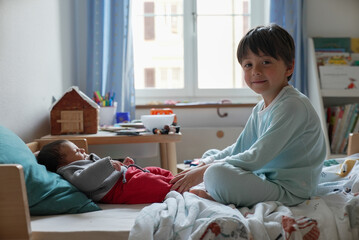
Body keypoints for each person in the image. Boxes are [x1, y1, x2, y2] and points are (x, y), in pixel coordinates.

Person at [170, 24, 327, 207]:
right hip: (266, 178)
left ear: (289, 67)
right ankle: (216, 186)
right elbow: (240, 148)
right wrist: (205, 163)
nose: (256, 71)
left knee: (215, 173)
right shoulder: (261, 107)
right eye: (248, 65)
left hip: (291, 190)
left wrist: (205, 171)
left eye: (266, 62)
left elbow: (256, 157)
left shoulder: (293, 105)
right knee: (210, 156)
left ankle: (216, 192)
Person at [37, 140, 174, 204]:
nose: (83, 150)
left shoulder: (81, 161)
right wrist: (108, 164)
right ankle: (180, 188)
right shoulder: (70, 171)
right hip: (118, 189)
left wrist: (122, 165)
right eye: (77, 151)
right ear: (62, 163)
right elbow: (86, 181)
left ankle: (178, 180)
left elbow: (103, 167)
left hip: (125, 176)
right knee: (151, 183)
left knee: (156, 170)